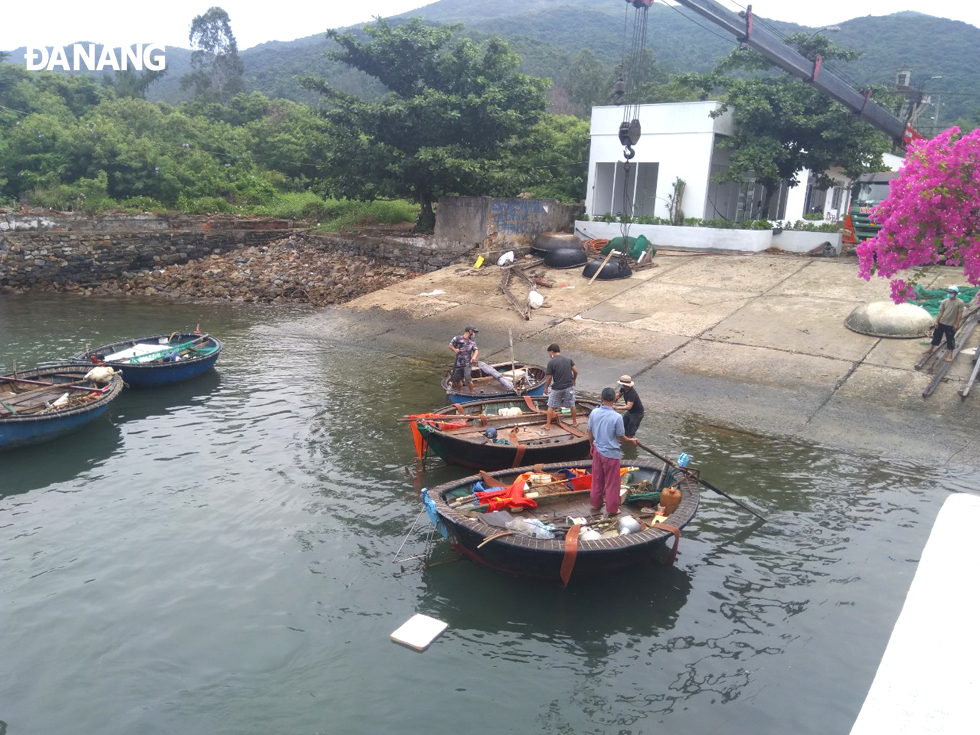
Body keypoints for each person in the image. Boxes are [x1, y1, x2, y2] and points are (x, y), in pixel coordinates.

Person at [587, 386, 637, 516]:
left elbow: (590, 432)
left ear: (601, 398)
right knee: (612, 483)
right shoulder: (617, 417)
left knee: (597, 479)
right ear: (614, 399)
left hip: (598, 450)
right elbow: (620, 436)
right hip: (611, 454)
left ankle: (596, 503)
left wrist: (591, 445)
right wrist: (630, 441)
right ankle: (612, 509)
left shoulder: (594, 412)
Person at [923, 286, 964, 363]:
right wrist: (936, 321)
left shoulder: (960, 302)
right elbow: (941, 312)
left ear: (955, 293)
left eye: (951, 292)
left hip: (951, 325)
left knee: (950, 339)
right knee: (936, 336)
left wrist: (957, 324)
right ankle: (930, 349)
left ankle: (950, 355)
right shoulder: (944, 302)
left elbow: (959, 314)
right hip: (941, 322)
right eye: (948, 292)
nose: (949, 294)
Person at [544, 343, 578, 428]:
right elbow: (575, 371)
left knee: (551, 406)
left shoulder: (551, 362)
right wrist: (574, 380)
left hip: (557, 388)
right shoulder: (568, 359)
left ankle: (548, 425)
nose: (549, 355)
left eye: (549, 353)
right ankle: (574, 423)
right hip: (569, 387)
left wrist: (546, 388)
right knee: (572, 405)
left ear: (551, 352)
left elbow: (549, 377)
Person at [449, 326, 479, 393]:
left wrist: (474, 357)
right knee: (457, 379)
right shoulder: (457, 338)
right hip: (458, 363)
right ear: (470, 331)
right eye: (473, 332)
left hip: (467, 363)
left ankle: (471, 392)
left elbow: (476, 350)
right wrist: (455, 350)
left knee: (468, 379)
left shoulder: (472, 341)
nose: (474, 334)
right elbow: (450, 345)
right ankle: (460, 391)